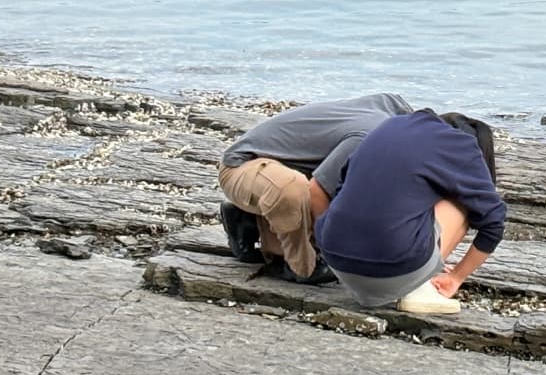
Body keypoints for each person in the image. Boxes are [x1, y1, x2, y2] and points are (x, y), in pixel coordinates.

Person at [313, 109, 504, 315]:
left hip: (335, 260)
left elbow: (342, 185)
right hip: (393, 270)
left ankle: (412, 270)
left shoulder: (389, 127)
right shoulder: (461, 145)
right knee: (463, 202)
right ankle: (419, 287)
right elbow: (494, 222)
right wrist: (456, 277)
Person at [216, 92, 412, 283]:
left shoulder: (388, 117)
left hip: (281, 173)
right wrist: (335, 252)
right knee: (292, 188)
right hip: (243, 167)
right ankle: (299, 267)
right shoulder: (371, 132)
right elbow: (317, 191)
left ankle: (247, 218)